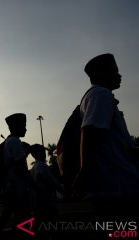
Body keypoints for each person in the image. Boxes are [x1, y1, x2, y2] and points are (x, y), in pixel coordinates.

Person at [77, 53, 139, 220]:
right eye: (114, 71)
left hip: (113, 184)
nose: (119, 75)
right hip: (118, 186)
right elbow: (89, 132)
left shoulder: (96, 95)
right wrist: (84, 173)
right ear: (100, 74)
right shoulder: (101, 94)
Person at [0, 113, 34, 240]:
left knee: (12, 216)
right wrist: (33, 184)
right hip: (17, 189)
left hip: (12, 188)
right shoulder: (15, 142)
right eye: (24, 126)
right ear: (17, 127)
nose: (25, 129)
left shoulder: (9, 142)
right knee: (24, 219)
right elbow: (21, 168)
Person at [30, 144, 65, 240]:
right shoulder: (42, 166)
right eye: (42, 151)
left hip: (39, 202)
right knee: (54, 225)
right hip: (46, 200)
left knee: (39, 226)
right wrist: (64, 191)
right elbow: (52, 181)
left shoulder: (35, 167)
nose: (44, 153)